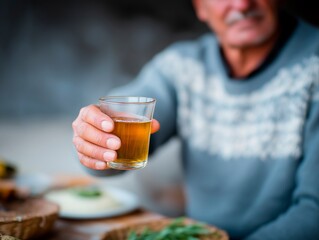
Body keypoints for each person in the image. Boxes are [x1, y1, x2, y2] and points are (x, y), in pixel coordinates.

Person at [72, 0, 319, 239]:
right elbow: (131, 106)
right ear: (200, 6)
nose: (242, 4)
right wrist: (97, 134)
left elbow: (314, 212)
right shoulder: (183, 67)